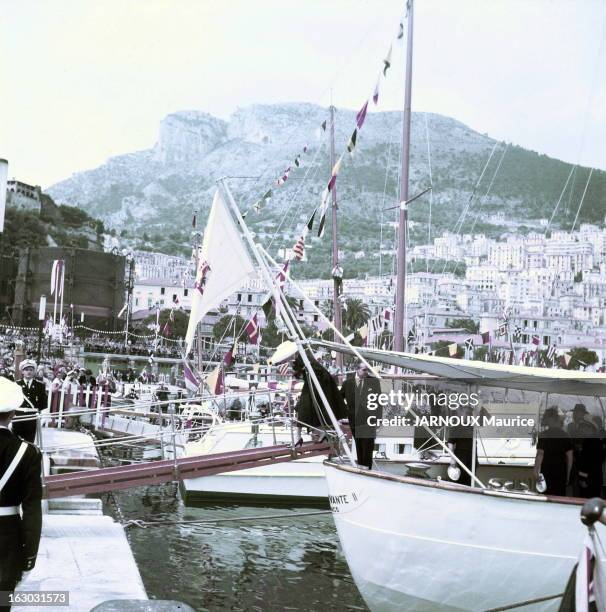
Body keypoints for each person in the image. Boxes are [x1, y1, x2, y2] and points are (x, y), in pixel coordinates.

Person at [0, 378, 43, 612]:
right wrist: (29, 556)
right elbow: (32, 510)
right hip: (7, 541)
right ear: (14, 413)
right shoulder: (28, 452)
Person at [292, 350, 347, 445]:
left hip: (315, 391)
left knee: (305, 411)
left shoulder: (312, 366)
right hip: (313, 390)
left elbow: (319, 378)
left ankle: (299, 436)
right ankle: (319, 434)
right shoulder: (312, 366)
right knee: (310, 411)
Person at [341, 361, 382, 469]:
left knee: (368, 445)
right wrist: (346, 411)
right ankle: (361, 468)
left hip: (369, 419)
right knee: (359, 444)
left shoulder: (374, 382)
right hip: (354, 419)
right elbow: (339, 399)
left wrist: (378, 419)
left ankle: (367, 469)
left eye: (367, 370)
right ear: (357, 369)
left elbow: (378, 401)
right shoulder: (347, 383)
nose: (366, 372)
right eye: (364, 370)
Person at [567, 403, 604, 498]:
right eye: (575, 412)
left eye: (585, 427)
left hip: (589, 477)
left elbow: (590, 461)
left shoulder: (592, 442)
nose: (575, 414)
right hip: (582, 471)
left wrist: (584, 478)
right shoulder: (570, 427)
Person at [534, 406, 573, 496]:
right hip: (561, 471)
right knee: (559, 497)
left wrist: (535, 471)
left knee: (546, 497)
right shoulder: (565, 435)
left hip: (547, 471)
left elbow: (540, 454)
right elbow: (570, 457)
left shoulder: (543, 435)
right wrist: (568, 474)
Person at [14, 360, 47, 444]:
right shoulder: (16, 385)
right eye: (26, 369)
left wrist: (41, 416)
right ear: (22, 371)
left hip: (32, 417)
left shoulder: (40, 386)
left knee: (29, 442)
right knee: (16, 442)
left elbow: (43, 403)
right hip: (18, 416)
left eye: (31, 370)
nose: (29, 372)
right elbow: (12, 402)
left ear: (34, 371)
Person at [447, 405, 477, 486]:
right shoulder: (457, 426)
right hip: (461, 459)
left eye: (470, 413)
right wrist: (452, 460)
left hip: (472, 459)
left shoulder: (472, 427)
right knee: (460, 483)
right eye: (467, 413)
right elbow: (450, 444)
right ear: (461, 414)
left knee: (469, 483)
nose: (469, 415)